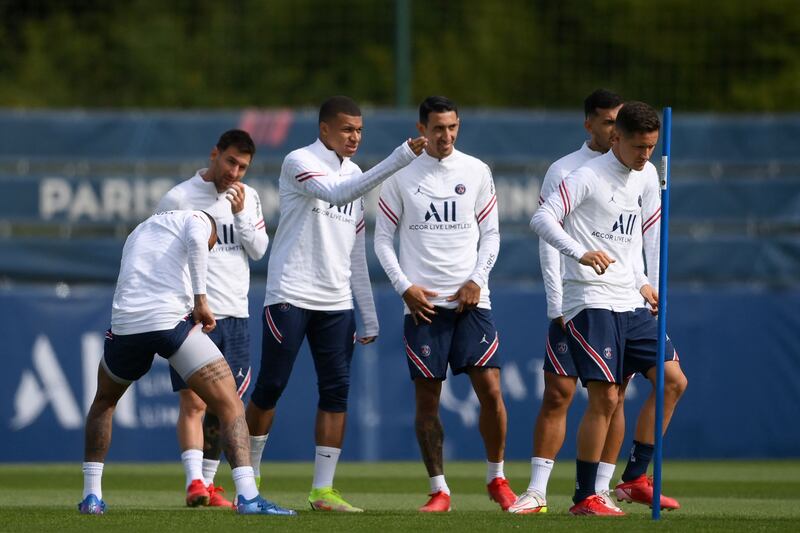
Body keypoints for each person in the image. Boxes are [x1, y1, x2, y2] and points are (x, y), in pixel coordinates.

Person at [245, 95, 427, 513]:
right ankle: (248, 476)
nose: (354, 137)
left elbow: (355, 249)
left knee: (336, 392)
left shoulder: (357, 173)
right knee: (271, 387)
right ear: (324, 129)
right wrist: (400, 156)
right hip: (290, 293)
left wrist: (367, 312)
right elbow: (338, 191)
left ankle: (323, 491)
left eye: (359, 130)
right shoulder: (298, 160)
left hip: (336, 302)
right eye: (347, 129)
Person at [78, 210, 294, 516]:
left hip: (126, 325)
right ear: (213, 231)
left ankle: (91, 496)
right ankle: (248, 496)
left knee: (103, 402)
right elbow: (196, 239)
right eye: (212, 245)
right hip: (169, 321)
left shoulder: (139, 230)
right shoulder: (198, 220)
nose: (207, 249)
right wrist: (200, 300)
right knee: (229, 402)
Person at [530, 101, 687, 516]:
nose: (645, 155)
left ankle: (634, 477)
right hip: (591, 299)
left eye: (652, 147)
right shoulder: (585, 176)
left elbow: (644, 234)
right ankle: (584, 497)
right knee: (606, 397)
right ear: (616, 138)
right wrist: (580, 252)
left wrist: (646, 282)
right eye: (639, 147)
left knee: (673, 380)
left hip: (630, 300)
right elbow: (542, 220)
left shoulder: (648, 174)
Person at [374, 95, 516, 513]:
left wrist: (477, 279)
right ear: (422, 129)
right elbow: (381, 240)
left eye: (453, 127)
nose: (446, 136)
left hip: (472, 302)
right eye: (438, 128)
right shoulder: (399, 174)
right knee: (427, 400)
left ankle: (497, 478)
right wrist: (404, 287)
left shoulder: (476, 171)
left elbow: (491, 234)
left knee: (491, 391)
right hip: (423, 306)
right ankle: (439, 490)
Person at [154, 129, 266, 508]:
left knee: (228, 404)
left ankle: (211, 485)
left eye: (243, 167)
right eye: (231, 161)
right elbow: (160, 252)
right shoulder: (179, 198)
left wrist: (240, 216)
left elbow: (259, 249)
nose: (235, 172)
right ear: (215, 154)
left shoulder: (247, 198)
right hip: (193, 316)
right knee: (195, 403)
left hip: (235, 313)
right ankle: (194, 483)